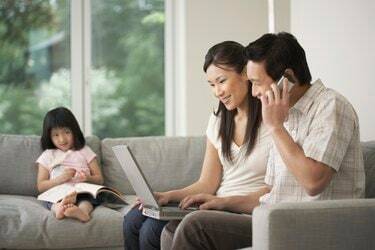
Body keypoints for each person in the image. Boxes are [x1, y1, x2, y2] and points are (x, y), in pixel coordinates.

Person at [161, 32, 365, 249]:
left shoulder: (330, 106)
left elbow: (313, 182)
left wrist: (276, 127)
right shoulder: (286, 114)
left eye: (257, 82)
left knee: (196, 227)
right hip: (274, 219)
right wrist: (223, 202)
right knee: (173, 228)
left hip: (310, 225)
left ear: (286, 78)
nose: (254, 91)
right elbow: (270, 192)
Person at [123, 41, 271, 250]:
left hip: (240, 209)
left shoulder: (272, 121)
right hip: (216, 205)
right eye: (211, 85)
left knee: (152, 229)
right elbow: (207, 183)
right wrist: (167, 196)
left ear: (245, 73)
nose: (217, 92)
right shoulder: (219, 120)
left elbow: (275, 190)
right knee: (133, 218)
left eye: (221, 81)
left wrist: (224, 202)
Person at [36, 107, 104, 222]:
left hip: (80, 191)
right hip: (58, 193)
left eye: (67, 132)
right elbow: (40, 186)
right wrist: (59, 179)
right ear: (49, 136)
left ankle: (82, 212)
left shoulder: (84, 150)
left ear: (74, 131)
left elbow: (100, 179)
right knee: (48, 199)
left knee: (87, 199)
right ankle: (59, 209)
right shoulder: (48, 155)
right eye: (56, 135)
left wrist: (87, 178)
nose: (62, 139)